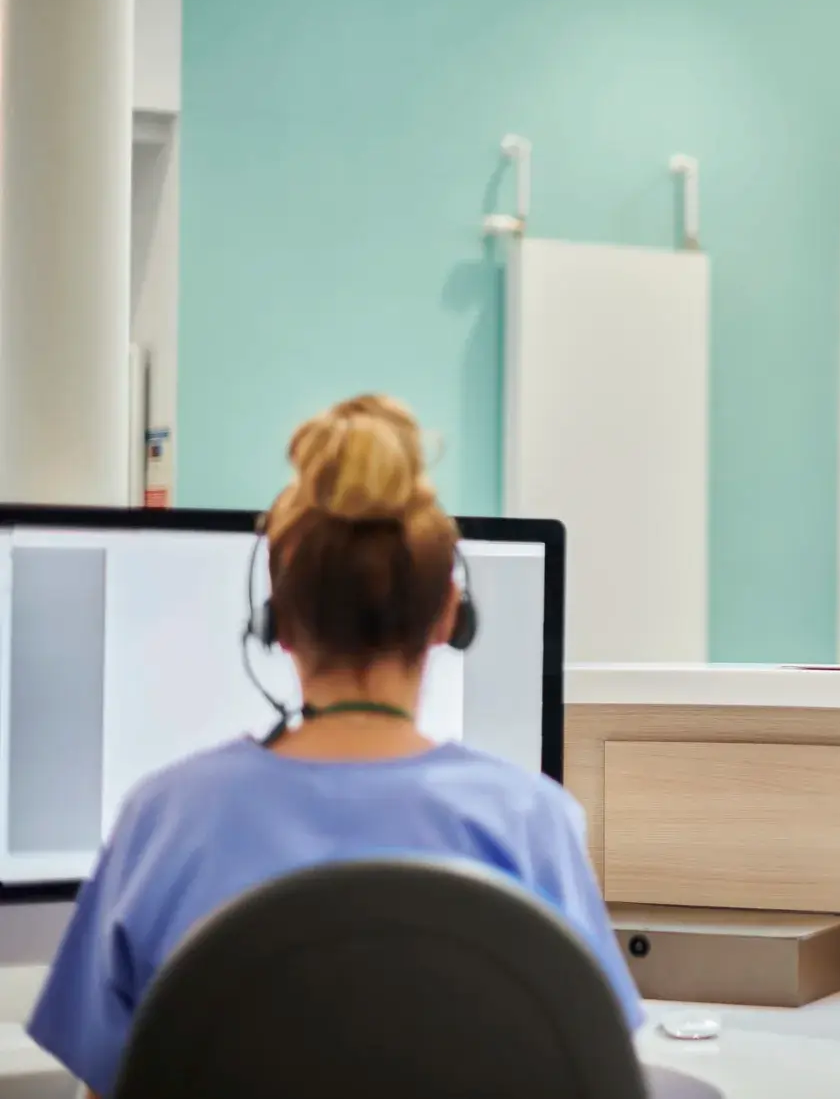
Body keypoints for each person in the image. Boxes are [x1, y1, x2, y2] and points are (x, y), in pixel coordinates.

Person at [28, 395, 643, 1096]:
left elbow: (110, 1085)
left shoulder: (163, 819)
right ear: (450, 615)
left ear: (276, 620)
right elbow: (591, 1070)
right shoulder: (533, 822)